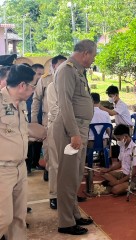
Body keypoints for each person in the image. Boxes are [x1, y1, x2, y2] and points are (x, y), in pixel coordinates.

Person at [52, 39, 96, 235]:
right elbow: (65, 104)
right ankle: (65, 222)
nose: (93, 59)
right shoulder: (67, 70)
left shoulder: (78, 70)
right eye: (93, 55)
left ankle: (75, 214)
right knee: (67, 177)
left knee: (76, 175)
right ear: (85, 53)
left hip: (80, 127)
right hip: (71, 129)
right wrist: (74, 133)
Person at [0, 64, 36, 240]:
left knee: (18, 218)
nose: (33, 90)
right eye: (32, 86)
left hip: (20, 167)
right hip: (2, 170)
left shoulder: (22, 104)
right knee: (2, 219)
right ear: (22, 85)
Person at [45, 55, 67, 210]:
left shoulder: (70, 85)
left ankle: (68, 194)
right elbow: (54, 110)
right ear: (53, 67)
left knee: (70, 164)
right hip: (56, 127)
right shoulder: (52, 86)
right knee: (55, 164)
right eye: (60, 66)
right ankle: (54, 195)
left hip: (71, 129)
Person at [101, 124, 136, 195]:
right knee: (105, 174)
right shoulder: (122, 146)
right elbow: (120, 163)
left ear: (126, 136)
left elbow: (135, 171)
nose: (118, 141)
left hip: (134, 178)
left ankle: (131, 185)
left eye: (119, 139)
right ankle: (120, 184)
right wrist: (108, 169)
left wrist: (119, 182)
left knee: (115, 190)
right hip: (124, 174)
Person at [25, 64, 44, 175]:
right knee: (29, 144)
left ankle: (35, 163)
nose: (40, 77)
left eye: (42, 74)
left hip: (40, 118)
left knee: (38, 143)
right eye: (38, 74)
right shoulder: (26, 86)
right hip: (29, 118)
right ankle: (27, 167)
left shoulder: (42, 85)